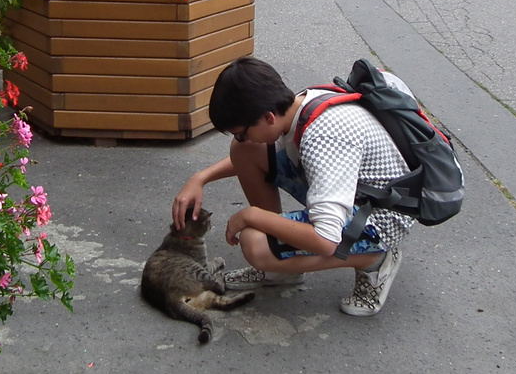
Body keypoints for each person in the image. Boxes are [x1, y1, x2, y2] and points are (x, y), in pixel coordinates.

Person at [171, 56, 412, 317]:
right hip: (358, 191)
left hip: (381, 218)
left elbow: (326, 240)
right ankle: (282, 269)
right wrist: (200, 178)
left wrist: (253, 216)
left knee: (255, 242)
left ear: (268, 117)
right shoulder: (299, 105)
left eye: (241, 131)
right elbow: (254, 153)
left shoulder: (322, 139)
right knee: (245, 151)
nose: (242, 138)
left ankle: (376, 260)